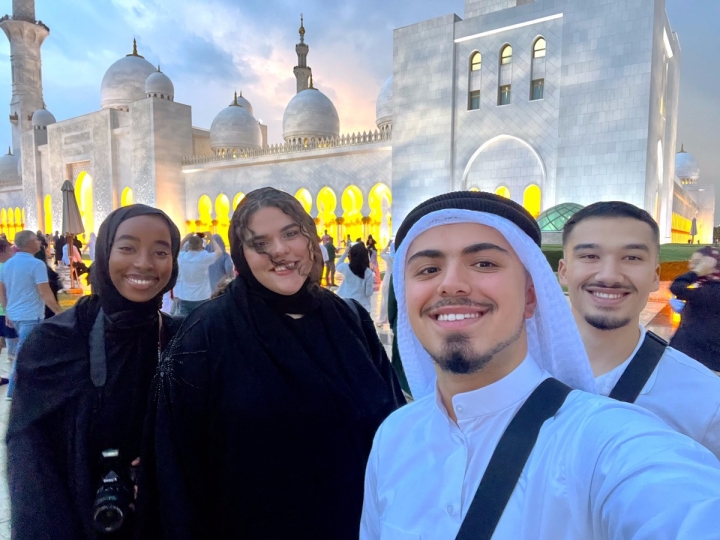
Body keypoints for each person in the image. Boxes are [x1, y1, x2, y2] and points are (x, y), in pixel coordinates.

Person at [360, 191, 720, 539]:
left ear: (531, 295)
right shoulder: (394, 437)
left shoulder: (607, 442)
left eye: (484, 263)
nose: (451, 283)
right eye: (428, 268)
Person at [147, 187, 403, 539]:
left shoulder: (349, 319)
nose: (280, 250)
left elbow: (392, 428)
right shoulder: (206, 334)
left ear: (309, 239)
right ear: (242, 255)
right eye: (260, 243)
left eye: (290, 233)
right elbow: (177, 468)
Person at [6, 205, 181, 540]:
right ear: (104, 253)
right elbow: (32, 468)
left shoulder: (181, 339)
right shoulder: (55, 344)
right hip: (79, 522)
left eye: (161, 251)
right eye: (127, 248)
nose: (144, 263)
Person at [559, 201, 720, 457]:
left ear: (655, 276)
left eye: (631, 258)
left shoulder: (707, 400)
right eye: (590, 256)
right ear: (564, 272)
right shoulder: (511, 371)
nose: (610, 275)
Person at [0, 231, 62, 399]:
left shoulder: (8, 265)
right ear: (28, 243)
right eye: (36, 240)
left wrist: (7, 312)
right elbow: (45, 292)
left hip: (15, 314)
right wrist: (58, 312)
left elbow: (3, 292)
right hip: (30, 315)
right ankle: (13, 390)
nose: (40, 242)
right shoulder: (36, 265)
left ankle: (37, 385)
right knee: (24, 352)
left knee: (33, 350)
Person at [669, 246, 720, 371]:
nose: (692, 266)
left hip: (699, 359)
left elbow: (677, 287)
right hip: (695, 356)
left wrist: (696, 272)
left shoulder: (714, 290)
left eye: (698, 263)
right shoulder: (707, 286)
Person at [173, 233, 221, 317]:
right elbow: (219, 252)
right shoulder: (204, 257)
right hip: (202, 296)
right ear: (201, 244)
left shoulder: (182, 257)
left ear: (189, 245)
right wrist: (212, 239)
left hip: (185, 296)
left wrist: (186, 237)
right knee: (201, 323)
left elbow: (174, 251)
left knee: (184, 323)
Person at [337, 241, 374, 313]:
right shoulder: (368, 272)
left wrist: (345, 252)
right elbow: (368, 293)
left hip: (347, 304)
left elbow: (337, 265)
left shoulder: (345, 267)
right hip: (363, 307)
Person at [34, 241, 62, 319]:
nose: (48, 253)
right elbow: (46, 291)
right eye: (46, 252)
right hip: (45, 308)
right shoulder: (41, 268)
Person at [376, 239, 394, 326]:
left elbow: (382, 253)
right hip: (396, 280)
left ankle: (382, 320)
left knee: (385, 300)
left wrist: (387, 245)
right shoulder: (400, 257)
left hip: (388, 278)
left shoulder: (388, 257)